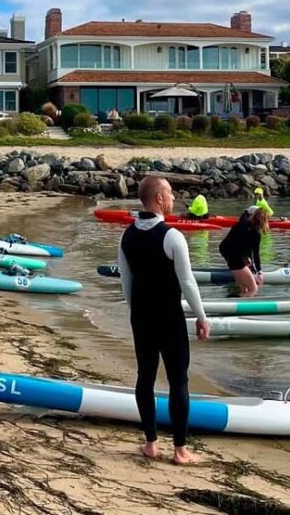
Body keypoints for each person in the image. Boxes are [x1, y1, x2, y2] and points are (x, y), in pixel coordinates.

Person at [117, 176, 210, 465]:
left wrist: (136, 311)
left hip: (141, 317)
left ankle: (150, 444)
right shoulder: (172, 236)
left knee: (145, 377)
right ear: (158, 198)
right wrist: (201, 316)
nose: (173, 198)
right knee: (177, 381)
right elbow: (188, 282)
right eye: (170, 193)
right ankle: (180, 450)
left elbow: (126, 281)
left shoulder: (127, 235)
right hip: (169, 318)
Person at [218, 207, 269, 297]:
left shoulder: (240, 224)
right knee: (253, 289)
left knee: (244, 289)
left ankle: (235, 301)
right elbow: (255, 254)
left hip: (230, 259)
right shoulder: (256, 234)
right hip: (237, 262)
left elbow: (226, 245)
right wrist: (259, 272)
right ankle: (237, 307)